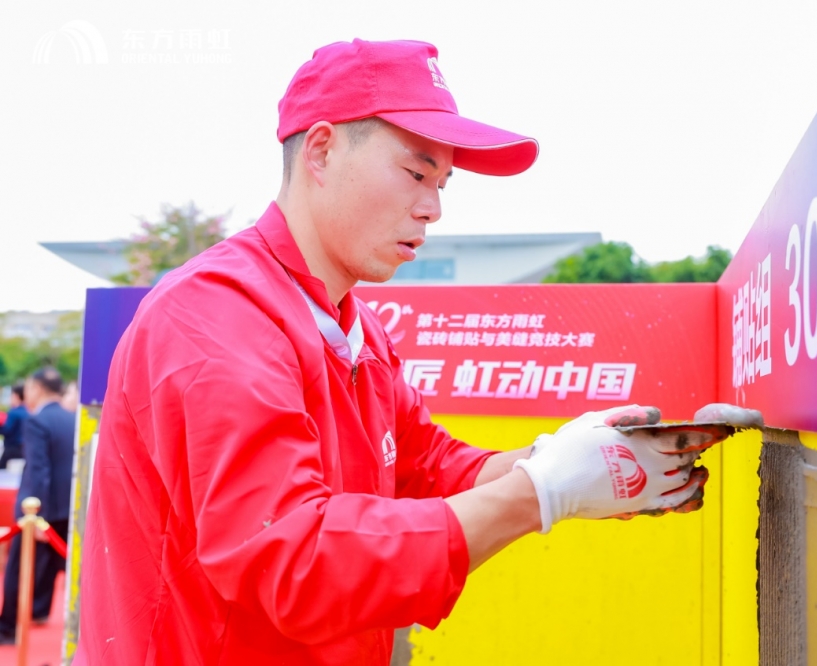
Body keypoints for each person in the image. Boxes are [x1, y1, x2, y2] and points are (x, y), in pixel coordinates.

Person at [76, 39, 751, 665]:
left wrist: (571, 458)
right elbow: (295, 560)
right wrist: (541, 493)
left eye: (444, 185)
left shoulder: (354, 327)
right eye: (415, 172)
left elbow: (427, 467)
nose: (433, 209)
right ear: (320, 150)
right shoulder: (215, 318)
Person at [0, 367, 75, 642]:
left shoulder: (37, 421)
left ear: (38, 389)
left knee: (20, 567)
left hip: (39, 509)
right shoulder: (72, 418)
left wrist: (35, 512)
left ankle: (7, 627)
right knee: (52, 566)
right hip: (68, 508)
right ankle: (39, 610)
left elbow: (38, 470)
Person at [0, 383, 27, 469]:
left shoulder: (14, 412)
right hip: (25, 448)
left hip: (12, 448)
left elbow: (7, 430)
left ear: (16, 396)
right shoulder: (28, 410)